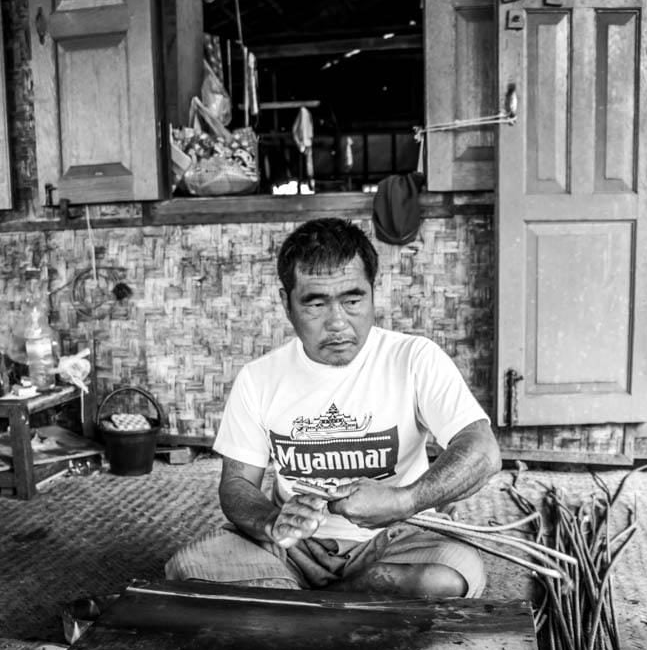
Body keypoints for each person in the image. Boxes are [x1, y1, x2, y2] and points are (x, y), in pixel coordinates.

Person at [166, 218, 502, 599]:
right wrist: (273, 522)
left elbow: (483, 450)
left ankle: (298, 603)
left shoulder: (414, 358)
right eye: (315, 304)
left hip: (396, 537)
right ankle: (341, 599)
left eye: (353, 301)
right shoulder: (259, 378)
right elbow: (237, 484)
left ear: (373, 294)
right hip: (294, 548)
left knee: (448, 577)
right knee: (189, 567)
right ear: (286, 304)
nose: (338, 323)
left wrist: (404, 501)